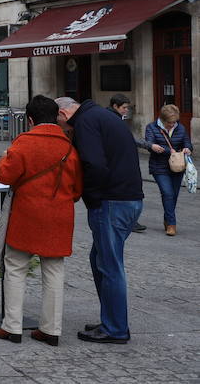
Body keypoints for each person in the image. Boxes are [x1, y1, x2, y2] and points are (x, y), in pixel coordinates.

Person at [0, 96, 83, 347]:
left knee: (16, 268)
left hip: (27, 215)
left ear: (30, 120)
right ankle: (51, 330)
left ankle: (12, 327)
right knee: (54, 271)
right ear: (56, 117)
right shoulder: (69, 147)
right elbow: (76, 190)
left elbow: (4, 175)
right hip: (59, 216)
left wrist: (4, 157)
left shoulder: (24, 143)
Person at [56, 96, 143, 344]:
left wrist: (91, 198)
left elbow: (94, 164)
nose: (63, 129)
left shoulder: (85, 122)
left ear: (64, 114)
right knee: (100, 259)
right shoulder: (100, 116)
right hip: (127, 198)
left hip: (112, 201)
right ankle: (111, 318)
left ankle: (115, 328)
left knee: (109, 264)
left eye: (60, 123)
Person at [144, 104, 192, 236]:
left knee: (174, 195)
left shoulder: (180, 128)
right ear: (163, 120)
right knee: (167, 193)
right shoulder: (152, 127)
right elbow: (149, 143)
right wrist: (157, 147)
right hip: (159, 166)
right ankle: (171, 224)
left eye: (174, 122)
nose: (172, 125)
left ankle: (167, 218)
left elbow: (187, 142)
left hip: (177, 167)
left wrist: (187, 149)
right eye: (170, 123)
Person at [107, 94, 149, 233]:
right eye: (124, 107)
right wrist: (148, 145)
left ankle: (130, 220)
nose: (126, 110)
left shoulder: (116, 118)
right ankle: (129, 220)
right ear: (115, 106)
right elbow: (129, 138)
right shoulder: (112, 119)